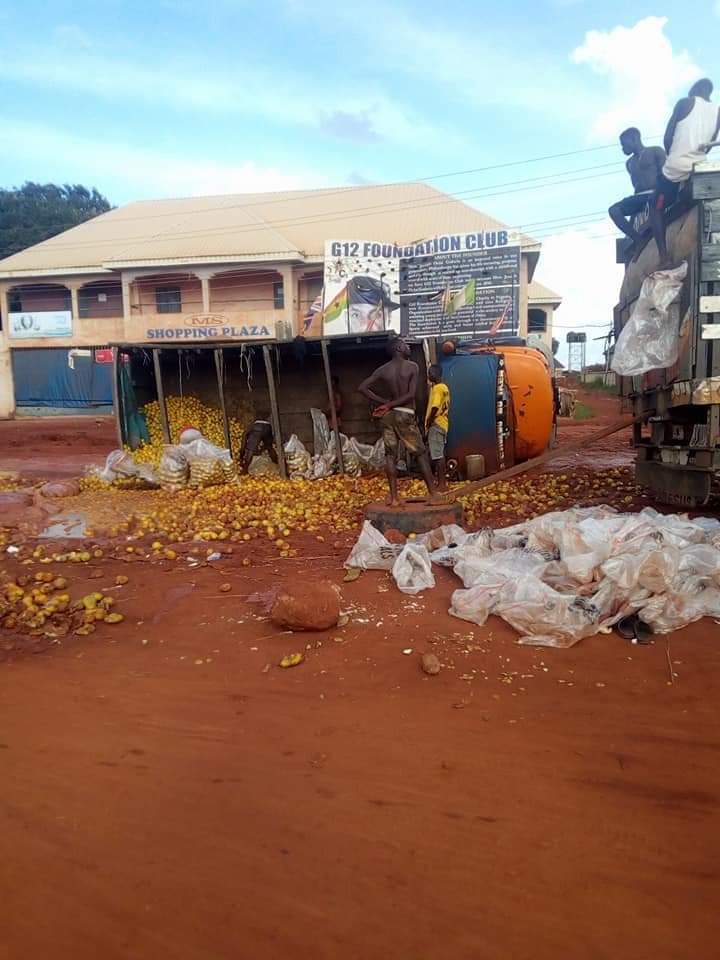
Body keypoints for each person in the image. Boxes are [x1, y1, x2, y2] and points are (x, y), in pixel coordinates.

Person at [358, 337, 442, 506]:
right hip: (405, 414)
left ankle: (394, 497)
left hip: (388, 417)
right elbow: (410, 395)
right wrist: (388, 404)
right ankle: (433, 494)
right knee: (420, 453)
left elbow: (362, 388)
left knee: (390, 455)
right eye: (404, 344)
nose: (408, 346)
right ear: (398, 348)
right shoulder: (412, 367)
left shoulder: (383, 370)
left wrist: (384, 403)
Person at [651, 78, 720, 267]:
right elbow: (711, 143)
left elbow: (667, 138)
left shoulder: (685, 102)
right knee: (685, 200)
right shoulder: (717, 111)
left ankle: (663, 257)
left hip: (675, 167)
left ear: (696, 89)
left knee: (655, 207)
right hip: (698, 167)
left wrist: (674, 154)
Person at [608, 128, 666, 244]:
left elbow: (666, 174)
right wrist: (632, 218)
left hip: (656, 193)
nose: (623, 148)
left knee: (653, 204)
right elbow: (636, 186)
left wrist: (660, 192)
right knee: (614, 210)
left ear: (634, 139)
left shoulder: (655, 151)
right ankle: (639, 240)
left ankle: (661, 249)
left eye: (624, 144)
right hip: (639, 197)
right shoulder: (629, 163)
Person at [425, 365, 450, 492]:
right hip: (443, 424)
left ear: (434, 374)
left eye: (429, 373)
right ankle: (441, 481)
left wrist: (429, 422)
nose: (428, 376)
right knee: (439, 453)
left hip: (436, 424)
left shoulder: (437, 389)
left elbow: (435, 407)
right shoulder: (444, 387)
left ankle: (441, 484)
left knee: (437, 455)